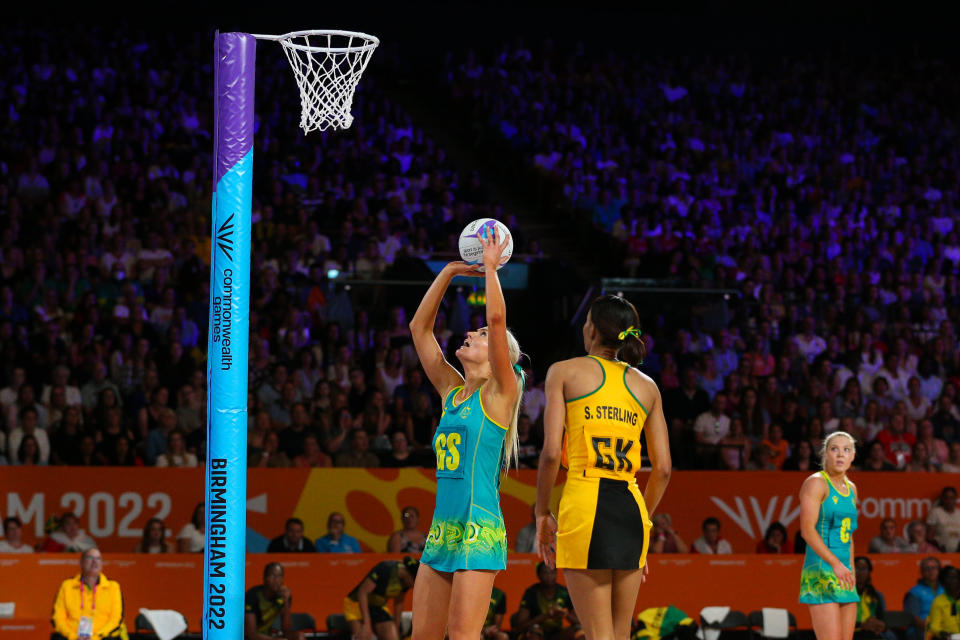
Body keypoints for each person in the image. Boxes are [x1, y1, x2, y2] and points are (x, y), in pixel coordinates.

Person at [408, 227, 524, 640]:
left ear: (498, 360)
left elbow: (496, 317)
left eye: (482, 337)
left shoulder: (500, 393)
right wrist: (449, 272)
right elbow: (419, 330)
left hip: (479, 528)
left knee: (463, 637)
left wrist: (491, 268)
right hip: (444, 528)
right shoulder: (450, 392)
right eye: (473, 332)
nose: (471, 332)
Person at [534, 294, 671, 640]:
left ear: (592, 329)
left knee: (598, 634)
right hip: (631, 507)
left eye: (586, 323)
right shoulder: (648, 387)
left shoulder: (563, 371)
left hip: (585, 501)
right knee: (620, 635)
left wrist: (541, 513)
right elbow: (664, 469)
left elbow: (551, 454)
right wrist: (645, 521)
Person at [799, 431, 859, 640]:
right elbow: (807, 530)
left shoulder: (851, 488)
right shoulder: (816, 483)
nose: (840, 455)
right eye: (834, 449)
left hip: (844, 571)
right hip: (823, 567)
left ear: (853, 456)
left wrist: (850, 570)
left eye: (846, 450)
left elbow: (849, 535)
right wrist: (835, 563)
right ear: (825, 454)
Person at [51, 548, 127, 640]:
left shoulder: (113, 587)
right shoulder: (67, 586)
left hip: (103, 638)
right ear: (81, 562)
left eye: (98, 558)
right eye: (90, 558)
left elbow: (116, 619)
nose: (95, 562)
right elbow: (57, 618)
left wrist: (95, 638)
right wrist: (73, 637)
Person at [344, 557, 419, 640]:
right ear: (408, 573)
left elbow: (399, 603)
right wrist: (367, 625)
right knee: (363, 636)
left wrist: (396, 627)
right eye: (414, 581)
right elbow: (363, 593)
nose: (413, 586)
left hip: (378, 606)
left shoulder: (406, 582)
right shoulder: (385, 569)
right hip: (357, 603)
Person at [512, 562, 580, 640]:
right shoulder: (531, 593)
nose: (549, 576)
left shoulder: (564, 592)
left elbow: (578, 622)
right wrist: (545, 616)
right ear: (538, 575)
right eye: (545, 573)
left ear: (556, 574)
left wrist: (564, 614)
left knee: (579, 632)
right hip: (537, 630)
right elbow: (520, 626)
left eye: (552, 572)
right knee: (533, 634)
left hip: (557, 632)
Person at [244, 562, 298, 640]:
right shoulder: (252, 596)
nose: (276, 580)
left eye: (280, 576)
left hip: (268, 636)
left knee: (299, 636)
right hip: (248, 638)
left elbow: (286, 630)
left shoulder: (282, 596)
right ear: (265, 578)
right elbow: (252, 635)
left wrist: (286, 602)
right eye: (272, 576)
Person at [854, 556, 894, 640]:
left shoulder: (876, 595)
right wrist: (861, 625)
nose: (860, 573)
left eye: (864, 569)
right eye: (857, 568)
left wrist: (880, 625)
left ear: (869, 572)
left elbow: (881, 618)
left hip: (872, 631)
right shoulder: (844, 594)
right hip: (852, 631)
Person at [904, 557, 943, 640]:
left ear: (939, 570)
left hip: (944, 627)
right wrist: (934, 629)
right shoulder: (914, 592)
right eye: (927, 568)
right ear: (922, 572)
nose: (930, 571)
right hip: (921, 630)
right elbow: (913, 619)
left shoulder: (946, 590)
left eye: (934, 568)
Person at [926, 566, 960, 640]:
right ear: (943, 581)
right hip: (949, 637)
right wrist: (941, 632)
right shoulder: (938, 601)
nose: (952, 581)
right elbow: (934, 626)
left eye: (955, 577)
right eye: (948, 577)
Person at [926, 487, 960, 552]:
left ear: (956, 499)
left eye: (952, 498)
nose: (949, 501)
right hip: (941, 551)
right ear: (942, 499)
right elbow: (929, 537)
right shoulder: (935, 512)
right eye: (946, 498)